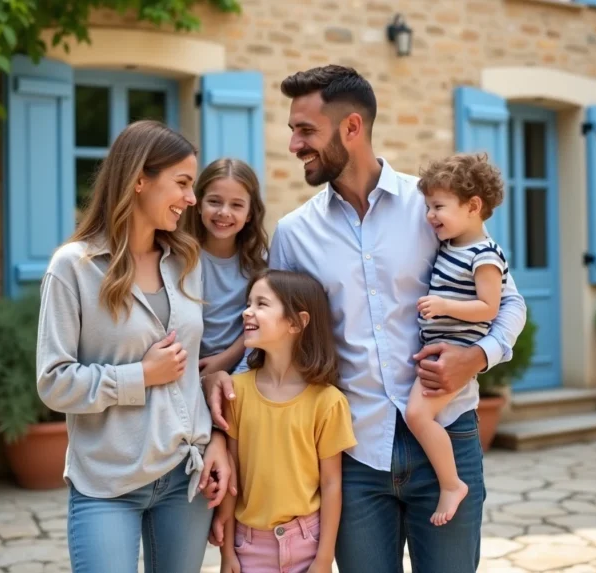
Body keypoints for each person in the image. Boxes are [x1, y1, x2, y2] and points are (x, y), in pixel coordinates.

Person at [204, 66, 527, 573]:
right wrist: (224, 429)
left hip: (447, 437)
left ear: (351, 128)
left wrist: (479, 356)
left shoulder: (432, 208)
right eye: (293, 130)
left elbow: (509, 302)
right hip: (353, 455)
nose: (293, 144)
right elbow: (266, 346)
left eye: (305, 130)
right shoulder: (295, 233)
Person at [36, 120, 232, 573]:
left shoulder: (186, 261)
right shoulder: (74, 267)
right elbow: (53, 382)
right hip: (107, 482)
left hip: (184, 478)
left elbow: (195, 366)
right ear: (139, 179)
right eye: (182, 183)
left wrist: (218, 439)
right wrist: (139, 376)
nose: (192, 199)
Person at [213, 269, 357, 573]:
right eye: (248, 302)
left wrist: (323, 558)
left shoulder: (328, 401)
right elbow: (232, 479)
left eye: (261, 304)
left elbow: (331, 484)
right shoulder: (235, 392)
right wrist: (228, 554)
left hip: (307, 544)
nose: (247, 312)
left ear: (297, 322)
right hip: (248, 547)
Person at [406, 153, 510, 527]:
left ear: (473, 206)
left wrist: (445, 305)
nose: (430, 215)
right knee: (418, 413)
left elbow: (488, 307)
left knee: (417, 414)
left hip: (455, 355)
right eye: (428, 206)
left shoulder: (484, 256)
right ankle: (449, 481)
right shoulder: (450, 246)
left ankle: (451, 484)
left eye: (439, 206)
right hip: (437, 350)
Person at [183, 158, 269, 376]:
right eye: (214, 201)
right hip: (186, 370)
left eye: (237, 205)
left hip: (243, 369)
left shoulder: (258, 263)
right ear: (198, 203)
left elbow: (259, 320)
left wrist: (224, 359)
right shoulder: (180, 257)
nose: (224, 212)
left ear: (250, 213)